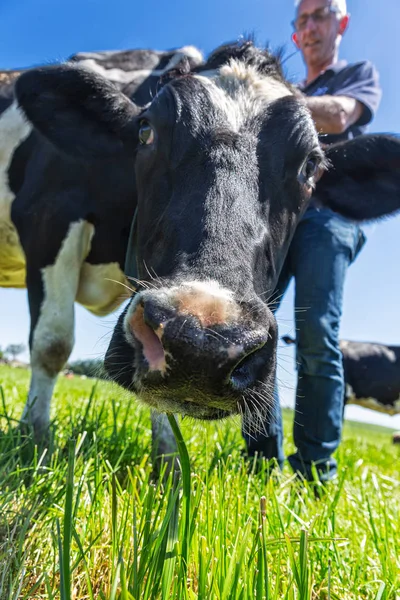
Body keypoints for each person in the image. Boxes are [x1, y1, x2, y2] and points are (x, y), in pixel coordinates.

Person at [243, 0, 382, 482]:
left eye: (320, 14)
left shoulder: (357, 74)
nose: (309, 26)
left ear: (341, 23)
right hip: (279, 220)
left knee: (317, 334)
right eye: (301, 20)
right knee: (251, 326)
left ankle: (314, 473)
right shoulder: (288, 86)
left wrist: (267, 101)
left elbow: (341, 117)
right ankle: (260, 461)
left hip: (332, 217)